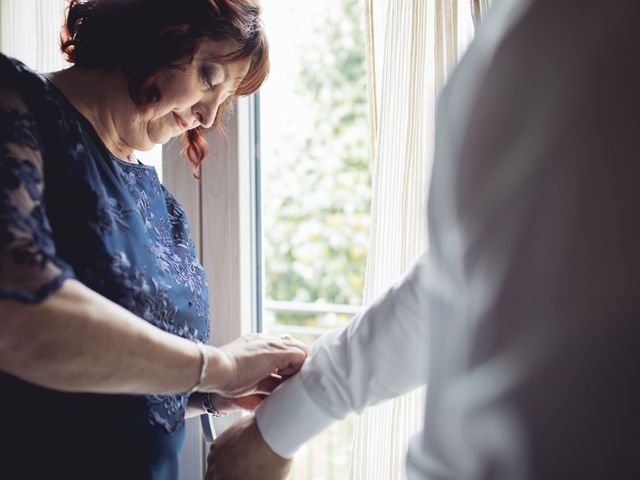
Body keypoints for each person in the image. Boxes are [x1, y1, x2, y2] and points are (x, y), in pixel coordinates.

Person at [207, 0, 640, 479]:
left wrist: (273, 419)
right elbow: (462, 275)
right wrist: (280, 418)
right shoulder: (538, 34)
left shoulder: (578, 39)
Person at [0, 0, 308, 479]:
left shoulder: (162, 207)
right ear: (156, 31)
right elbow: (15, 312)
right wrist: (218, 366)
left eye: (223, 100)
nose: (208, 117)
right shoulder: (15, 102)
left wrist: (210, 393)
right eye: (209, 76)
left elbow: (121, 389)